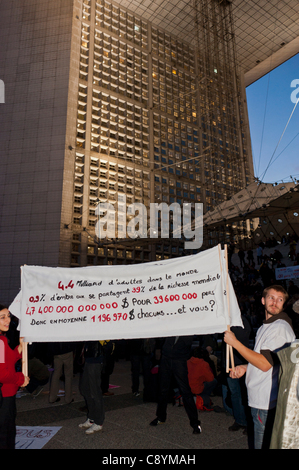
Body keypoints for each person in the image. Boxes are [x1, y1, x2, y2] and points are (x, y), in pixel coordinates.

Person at [224, 285, 295, 449]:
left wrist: (235, 343)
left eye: (280, 299)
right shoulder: (267, 326)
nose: (275, 302)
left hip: (267, 401)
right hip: (261, 398)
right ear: (263, 300)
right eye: (271, 298)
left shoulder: (279, 328)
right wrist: (246, 367)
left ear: (284, 304)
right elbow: (270, 360)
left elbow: (264, 364)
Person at [149, 336, 202, 434]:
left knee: (185, 391)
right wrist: (160, 347)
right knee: (162, 390)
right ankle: (160, 417)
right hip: (166, 357)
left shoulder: (187, 325)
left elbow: (189, 340)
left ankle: (195, 423)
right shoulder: (170, 322)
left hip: (180, 359)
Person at [0, 305, 30, 449]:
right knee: (5, 434)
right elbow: (2, 374)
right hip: (4, 396)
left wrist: (20, 347)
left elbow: (7, 360)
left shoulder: (2, 339)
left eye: (8, 316)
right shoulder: (0, 342)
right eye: (2, 317)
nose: (8, 320)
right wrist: (21, 379)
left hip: (6, 394)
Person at [79, 341, 105, 434]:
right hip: (89, 357)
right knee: (85, 389)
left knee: (95, 391)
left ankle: (98, 422)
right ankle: (92, 418)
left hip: (96, 358)